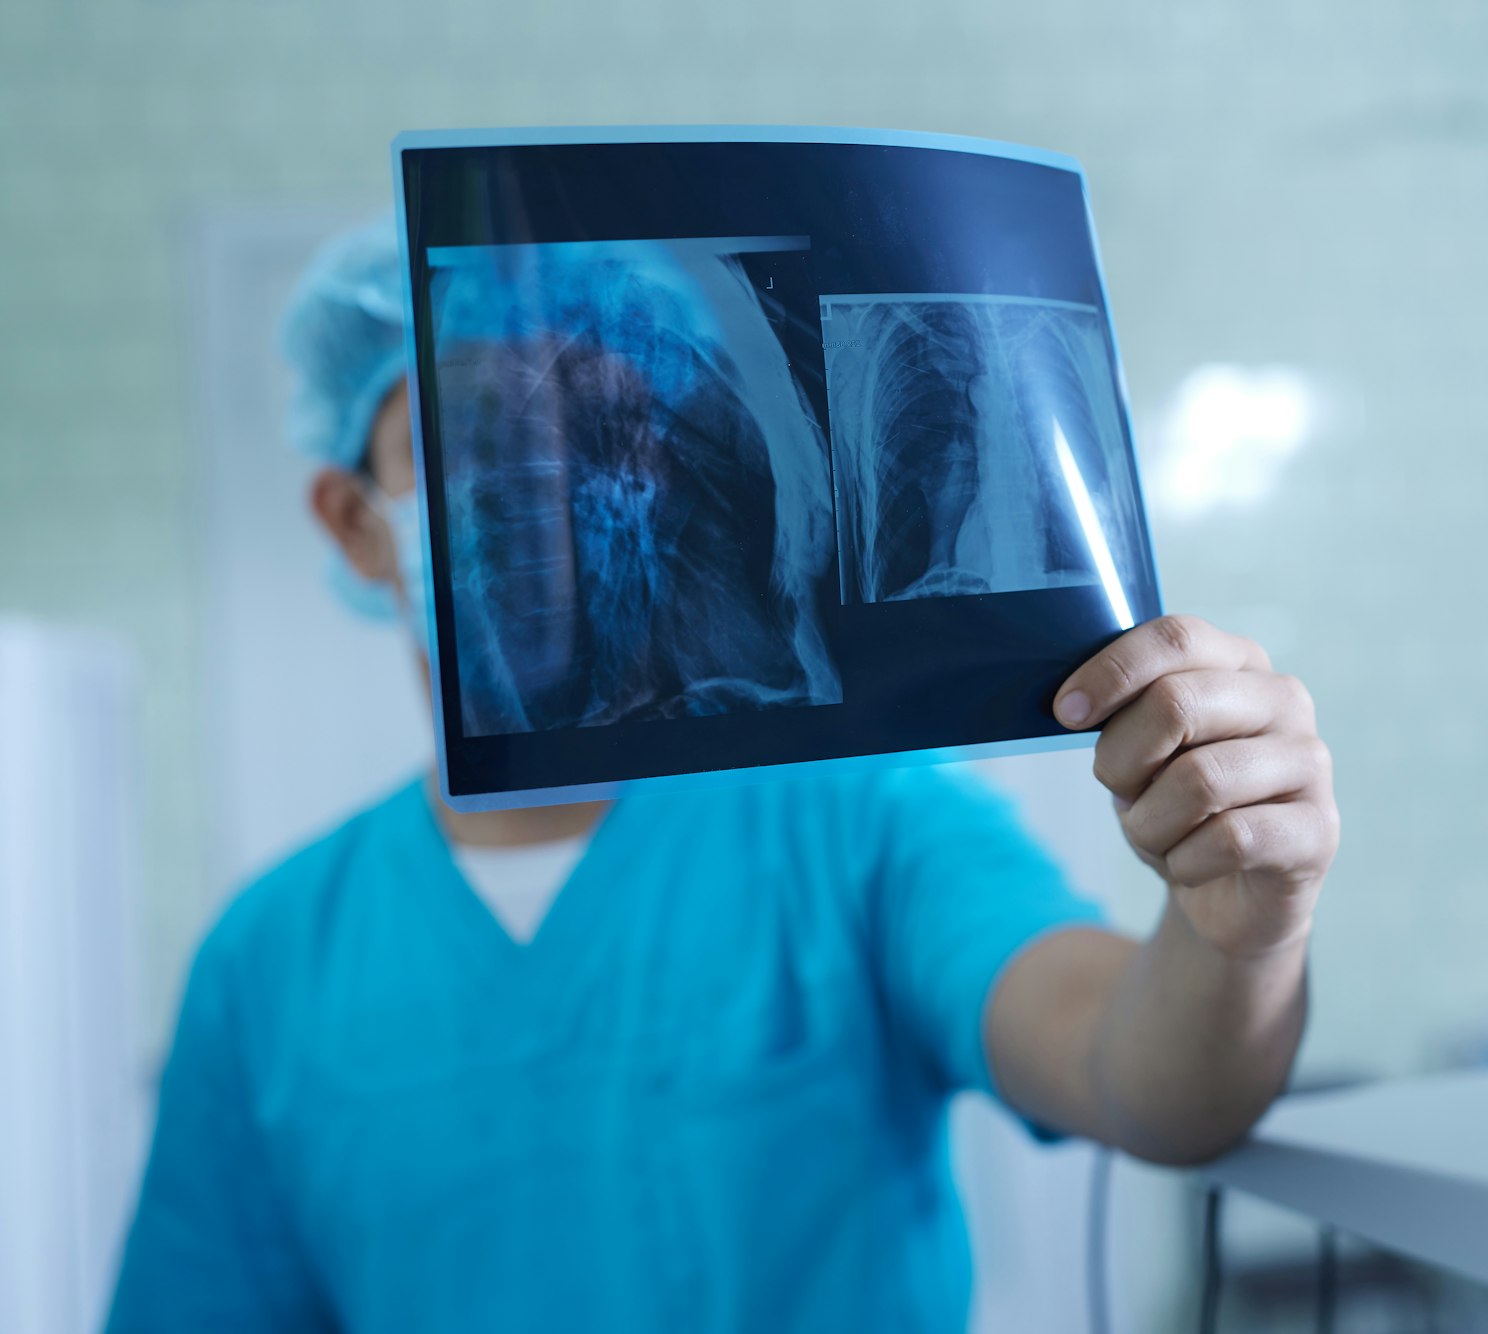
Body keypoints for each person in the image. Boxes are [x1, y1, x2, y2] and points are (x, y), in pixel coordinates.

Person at [105, 218, 1340, 1333]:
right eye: (474, 435)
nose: (546, 490)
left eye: (601, 430)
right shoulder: (267, 961)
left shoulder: (855, 822)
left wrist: (1236, 934)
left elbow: (1139, 1075)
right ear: (354, 521)